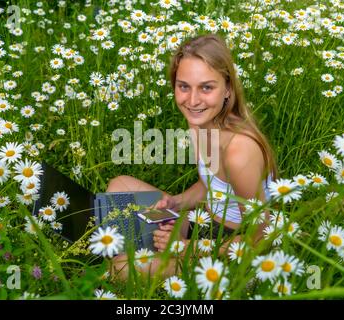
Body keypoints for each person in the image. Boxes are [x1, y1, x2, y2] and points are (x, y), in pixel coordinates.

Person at [107, 34, 277, 279]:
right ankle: (136, 244)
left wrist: (189, 249)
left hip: (226, 248)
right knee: (118, 185)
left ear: (227, 89)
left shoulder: (240, 151)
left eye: (206, 87)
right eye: (184, 86)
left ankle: (132, 257)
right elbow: (211, 183)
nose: (193, 100)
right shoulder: (199, 122)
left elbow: (262, 235)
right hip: (200, 221)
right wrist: (175, 203)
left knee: (120, 268)